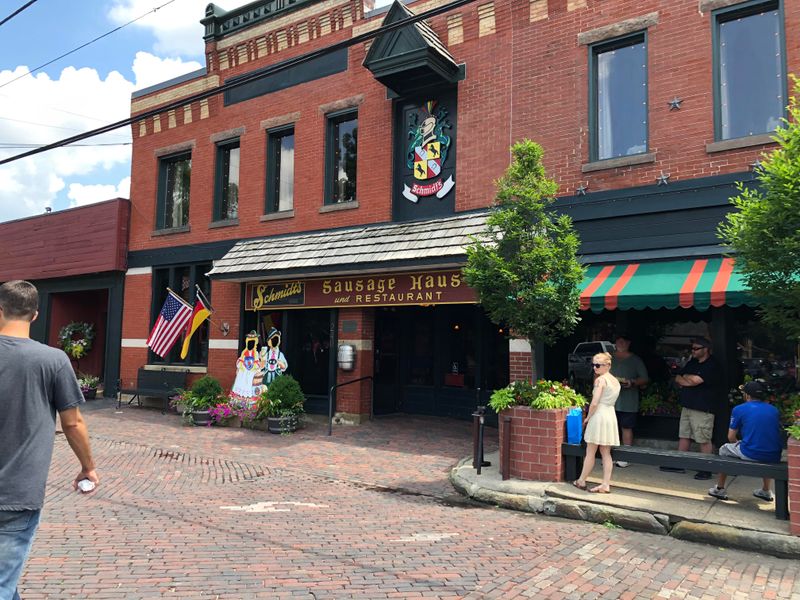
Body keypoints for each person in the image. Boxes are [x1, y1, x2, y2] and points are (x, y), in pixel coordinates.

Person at [0, 281, 99, 600]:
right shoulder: (54, 361)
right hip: (19, 491)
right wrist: (88, 467)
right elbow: (73, 423)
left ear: (0, 310)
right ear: (35, 315)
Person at [708, 381, 783, 501]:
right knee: (764, 447)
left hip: (751, 452)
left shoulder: (739, 409)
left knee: (723, 449)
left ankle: (719, 488)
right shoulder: (774, 410)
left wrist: (738, 444)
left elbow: (731, 437)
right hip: (774, 454)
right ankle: (766, 490)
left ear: (747, 395)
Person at [573, 352, 621, 494]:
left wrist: (587, 417)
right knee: (606, 453)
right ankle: (606, 484)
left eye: (598, 365)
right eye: (593, 364)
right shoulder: (616, 381)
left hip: (599, 415)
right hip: (610, 415)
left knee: (590, 451)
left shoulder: (600, 380)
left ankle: (581, 480)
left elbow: (594, 402)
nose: (595, 368)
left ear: (608, 365)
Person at [673, 337, 720, 480]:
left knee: (703, 438)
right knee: (684, 435)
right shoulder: (692, 362)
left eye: (696, 348)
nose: (693, 351)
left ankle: (706, 468)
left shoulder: (712, 364)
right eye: (692, 348)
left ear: (706, 349)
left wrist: (688, 379)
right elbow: (678, 377)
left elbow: (695, 381)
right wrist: (688, 379)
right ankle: (679, 464)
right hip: (687, 405)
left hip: (703, 408)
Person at [611, 333, 649, 467]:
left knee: (626, 427)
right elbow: (597, 375)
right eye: (618, 341)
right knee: (610, 427)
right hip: (610, 400)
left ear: (629, 343)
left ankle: (625, 456)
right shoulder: (608, 358)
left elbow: (644, 378)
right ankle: (609, 455)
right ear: (615, 343)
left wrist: (632, 382)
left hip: (628, 400)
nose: (621, 344)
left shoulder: (636, 360)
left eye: (624, 341)